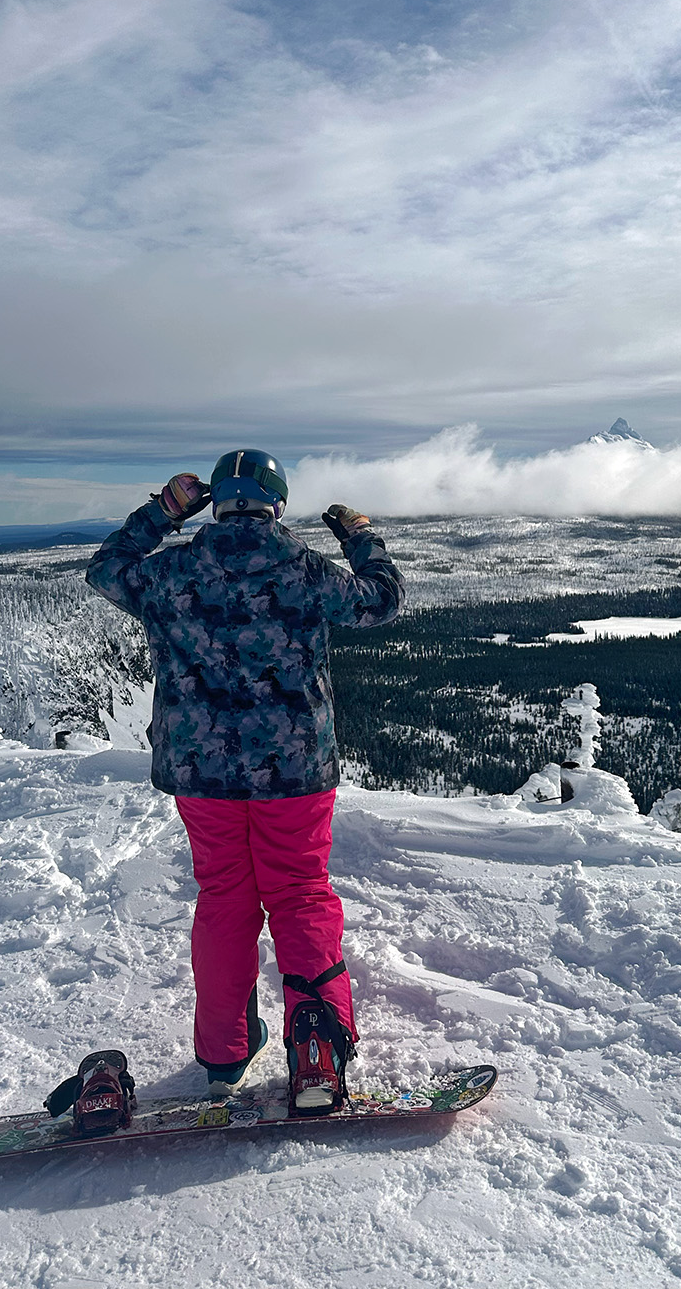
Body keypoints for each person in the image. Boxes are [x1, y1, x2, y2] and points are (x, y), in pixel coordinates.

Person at [85, 448, 404, 1115]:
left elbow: (106, 570)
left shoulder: (172, 571)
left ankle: (225, 1055)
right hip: (295, 770)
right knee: (299, 894)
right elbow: (383, 601)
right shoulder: (305, 570)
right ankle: (317, 1048)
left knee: (225, 897)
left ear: (218, 501)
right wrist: (362, 536)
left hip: (201, 771)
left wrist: (162, 514)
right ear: (276, 503)